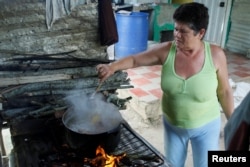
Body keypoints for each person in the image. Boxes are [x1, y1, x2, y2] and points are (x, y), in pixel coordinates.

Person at [96, 2, 234, 167]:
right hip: (173, 127)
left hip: (206, 127)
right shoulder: (167, 51)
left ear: (201, 33)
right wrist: (111, 67)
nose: (177, 35)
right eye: (176, 29)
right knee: (172, 164)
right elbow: (135, 59)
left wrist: (234, 122)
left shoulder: (216, 55)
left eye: (183, 31)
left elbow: (225, 91)